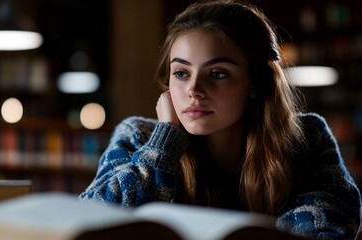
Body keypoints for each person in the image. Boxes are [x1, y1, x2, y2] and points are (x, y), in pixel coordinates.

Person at [79, 0, 361, 239]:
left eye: (217, 73)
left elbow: (327, 226)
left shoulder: (306, 137)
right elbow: (94, 219)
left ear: (255, 83)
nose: (194, 90)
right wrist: (164, 145)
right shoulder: (138, 137)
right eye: (181, 73)